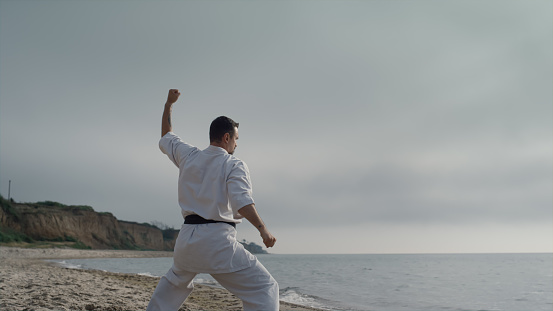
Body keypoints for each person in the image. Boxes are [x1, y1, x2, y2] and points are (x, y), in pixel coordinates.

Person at [146, 89, 279, 311]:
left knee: (171, 287)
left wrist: (169, 104)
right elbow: (242, 201)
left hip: (186, 241)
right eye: (236, 139)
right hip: (217, 243)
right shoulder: (233, 164)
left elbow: (166, 136)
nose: (236, 145)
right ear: (227, 137)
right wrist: (263, 229)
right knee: (265, 288)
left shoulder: (189, 156)